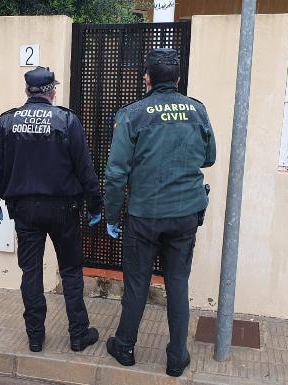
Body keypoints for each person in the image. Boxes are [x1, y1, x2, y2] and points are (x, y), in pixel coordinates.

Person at [104, 49, 216, 377]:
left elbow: (115, 173)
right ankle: (177, 357)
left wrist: (111, 215)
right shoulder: (197, 110)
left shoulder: (133, 114)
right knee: (178, 283)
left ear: (147, 79)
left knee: (137, 283)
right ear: (178, 79)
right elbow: (209, 157)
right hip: (185, 214)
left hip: (145, 214)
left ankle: (124, 347)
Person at [0, 66, 101, 353]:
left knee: (31, 273)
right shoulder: (66, 120)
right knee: (71, 271)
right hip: (64, 209)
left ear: (27, 91)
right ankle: (78, 335)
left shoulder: (7, 121)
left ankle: (35, 337)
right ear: (52, 92)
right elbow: (84, 167)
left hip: (25, 210)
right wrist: (95, 204)